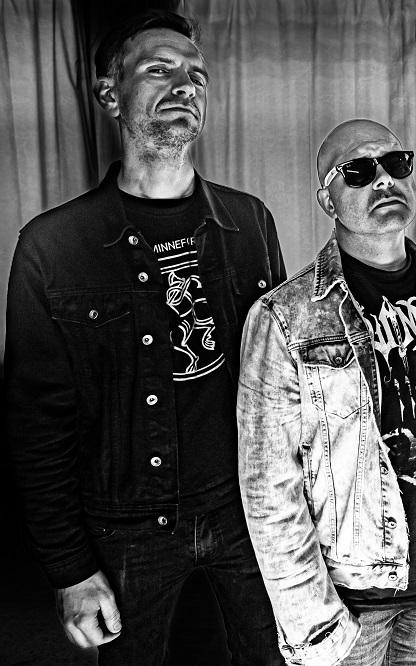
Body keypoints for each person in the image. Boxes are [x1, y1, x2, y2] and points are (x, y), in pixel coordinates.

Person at [3, 10, 286, 665]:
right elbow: (36, 423)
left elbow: (281, 384)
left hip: (249, 513)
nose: (186, 85)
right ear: (110, 93)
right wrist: (71, 569)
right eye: (160, 69)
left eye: (197, 76)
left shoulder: (250, 222)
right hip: (126, 523)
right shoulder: (53, 245)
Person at [236, 119, 416, 665]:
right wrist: (313, 624)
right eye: (358, 171)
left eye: (396, 163)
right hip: (353, 594)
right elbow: (268, 487)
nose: (384, 179)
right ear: (328, 201)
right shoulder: (285, 316)